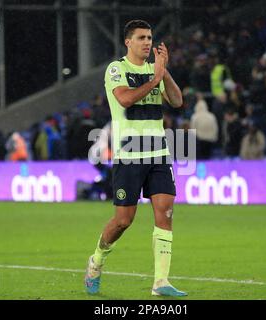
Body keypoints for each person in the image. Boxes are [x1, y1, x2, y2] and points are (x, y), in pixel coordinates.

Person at [84, 20, 186, 297]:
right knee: (123, 221)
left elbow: (177, 101)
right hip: (129, 156)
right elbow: (125, 100)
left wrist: (163, 74)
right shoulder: (117, 69)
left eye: (150, 38)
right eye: (141, 37)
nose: (147, 42)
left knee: (165, 214)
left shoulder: (156, 71)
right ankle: (96, 260)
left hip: (159, 155)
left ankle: (160, 282)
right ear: (128, 42)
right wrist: (154, 78)